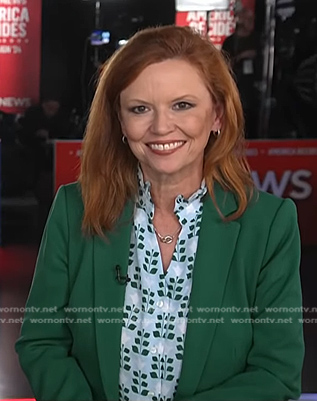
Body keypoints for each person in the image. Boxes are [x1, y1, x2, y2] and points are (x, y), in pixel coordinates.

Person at [15, 25, 304, 401]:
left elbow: (275, 374)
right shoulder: (74, 209)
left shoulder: (270, 225)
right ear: (120, 120)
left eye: (182, 105)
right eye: (140, 109)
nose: (161, 126)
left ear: (216, 115)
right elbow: (42, 341)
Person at [222, 6, 261, 138]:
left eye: (252, 19)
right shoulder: (230, 42)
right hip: (236, 86)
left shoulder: (257, 40)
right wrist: (241, 57)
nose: (251, 22)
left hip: (253, 89)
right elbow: (225, 65)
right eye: (248, 19)